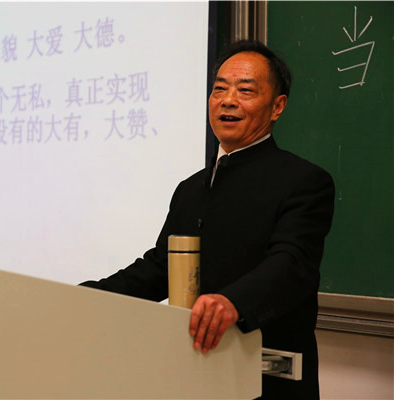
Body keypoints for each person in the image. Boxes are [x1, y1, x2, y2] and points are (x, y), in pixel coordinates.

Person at [80, 40, 335, 400]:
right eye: (219, 89)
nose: (228, 100)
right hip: (196, 376)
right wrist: (88, 298)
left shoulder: (303, 181)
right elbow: (162, 268)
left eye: (245, 90)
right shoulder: (190, 188)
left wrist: (233, 302)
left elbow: (292, 264)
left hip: (268, 380)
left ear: (277, 106)